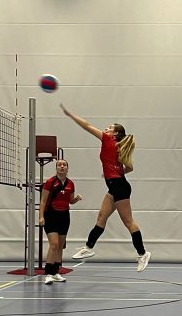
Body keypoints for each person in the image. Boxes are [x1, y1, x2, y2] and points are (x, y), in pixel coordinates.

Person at [60, 104, 151, 272]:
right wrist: (111, 173)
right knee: (101, 217)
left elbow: (86, 125)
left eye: (109, 128)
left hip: (119, 187)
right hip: (115, 185)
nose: (106, 129)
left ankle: (142, 253)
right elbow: (129, 168)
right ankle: (88, 248)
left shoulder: (108, 140)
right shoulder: (118, 146)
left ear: (114, 134)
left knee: (128, 222)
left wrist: (71, 115)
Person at [39, 158, 82, 285]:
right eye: (59, 165)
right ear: (56, 168)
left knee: (60, 246)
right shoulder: (50, 182)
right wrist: (41, 217)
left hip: (64, 215)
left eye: (64, 165)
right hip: (51, 215)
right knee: (54, 244)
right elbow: (43, 201)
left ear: (67, 168)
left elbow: (70, 201)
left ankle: (56, 272)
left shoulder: (70, 184)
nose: (62, 167)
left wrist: (76, 199)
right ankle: (48, 274)